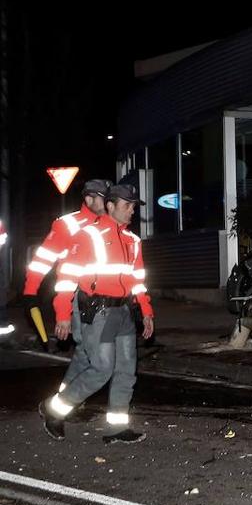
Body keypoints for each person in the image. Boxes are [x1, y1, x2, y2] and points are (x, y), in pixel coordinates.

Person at [38, 184, 153, 443]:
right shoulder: (88, 235)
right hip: (98, 312)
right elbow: (66, 277)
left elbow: (138, 279)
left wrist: (146, 311)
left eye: (134, 206)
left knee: (126, 371)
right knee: (101, 369)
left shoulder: (133, 241)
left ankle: (116, 428)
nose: (132, 210)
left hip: (123, 312)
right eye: (127, 205)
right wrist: (63, 315)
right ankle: (54, 409)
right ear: (110, 206)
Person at [23, 178, 112, 351]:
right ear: (89, 199)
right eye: (105, 199)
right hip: (81, 297)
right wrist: (30, 293)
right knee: (94, 351)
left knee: (93, 356)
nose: (110, 204)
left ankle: (76, 378)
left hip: (110, 299)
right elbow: (42, 260)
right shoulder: (68, 225)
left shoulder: (112, 225)